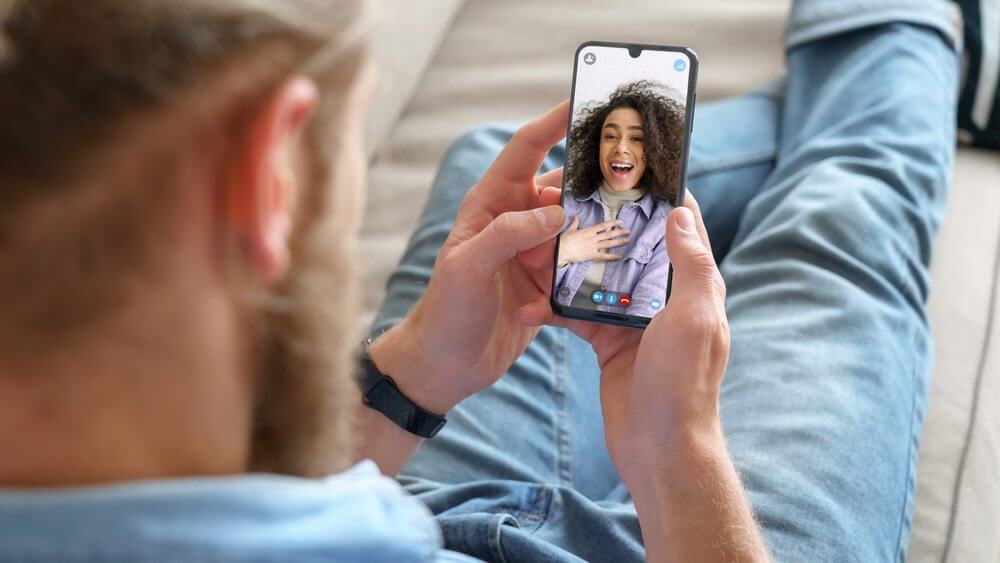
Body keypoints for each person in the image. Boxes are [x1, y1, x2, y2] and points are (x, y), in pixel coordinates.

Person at [0, 0, 960, 562]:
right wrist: (682, 458)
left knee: (491, 177)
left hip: (410, 490)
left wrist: (410, 378)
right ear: (268, 182)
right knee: (843, 217)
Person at [554, 81, 686, 317]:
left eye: (637, 138)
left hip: (621, 342)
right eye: (610, 136)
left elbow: (648, 305)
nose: (621, 148)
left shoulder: (665, 222)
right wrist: (561, 253)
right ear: (596, 145)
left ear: (657, 149)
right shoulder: (564, 205)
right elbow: (529, 290)